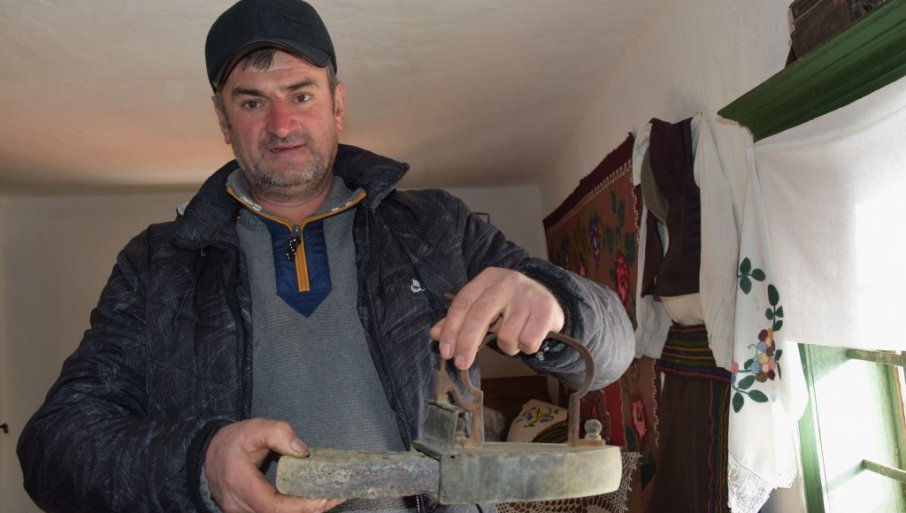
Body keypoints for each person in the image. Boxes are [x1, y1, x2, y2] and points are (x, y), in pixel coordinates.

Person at [17, 1, 634, 512]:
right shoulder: (157, 262)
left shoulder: (436, 225)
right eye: (251, 102)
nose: (282, 124)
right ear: (223, 120)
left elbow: (613, 350)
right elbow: (52, 449)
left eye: (301, 94)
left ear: (337, 103)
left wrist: (556, 304)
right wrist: (199, 464)